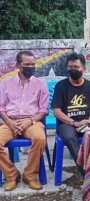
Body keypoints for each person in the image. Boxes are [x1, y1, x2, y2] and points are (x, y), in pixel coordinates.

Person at [0, 51, 49, 191]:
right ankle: (11, 175)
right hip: (10, 122)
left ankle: (30, 175)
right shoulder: (5, 83)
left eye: (33, 64)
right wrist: (9, 122)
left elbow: (43, 110)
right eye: (26, 64)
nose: (31, 67)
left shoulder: (41, 84)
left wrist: (30, 121)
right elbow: (1, 107)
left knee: (40, 138)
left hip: (31, 122)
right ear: (17, 65)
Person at [51, 53, 90, 177]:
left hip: (87, 122)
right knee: (69, 137)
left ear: (84, 69)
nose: (73, 70)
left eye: (76, 67)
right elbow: (56, 111)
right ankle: (87, 173)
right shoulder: (61, 86)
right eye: (70, 67)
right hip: (67, 124)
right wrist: (74, 122)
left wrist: (89, 121)